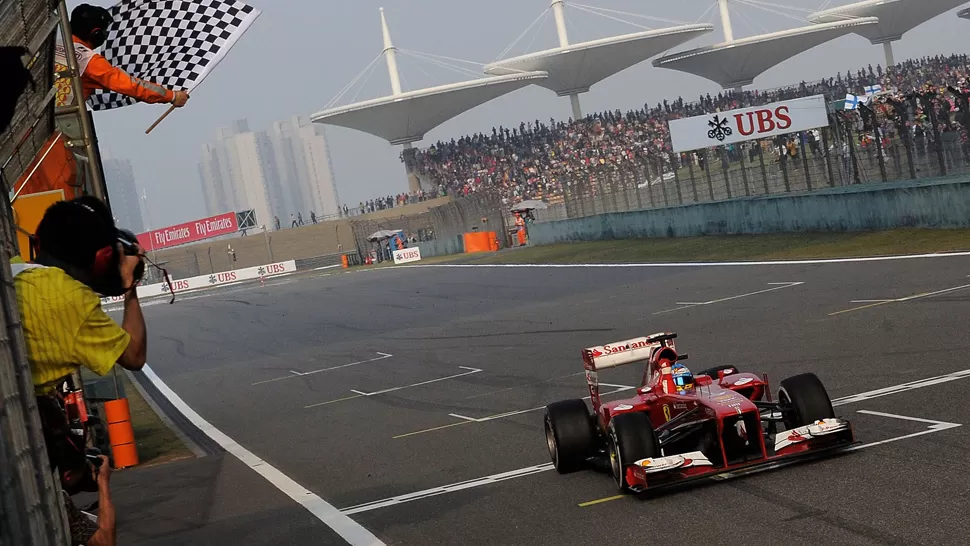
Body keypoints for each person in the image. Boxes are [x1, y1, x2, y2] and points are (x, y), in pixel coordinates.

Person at [13, 195, 147, 396]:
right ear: (102, 258)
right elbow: (134, 356)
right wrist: (130, 286)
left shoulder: (12, 269)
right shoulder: (70, 300)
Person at [55, 4, 189, 108]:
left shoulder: (52, 48)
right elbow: (130, 85)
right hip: (54, 131)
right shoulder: (88, 60)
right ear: (96, 34)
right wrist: (171, 96)